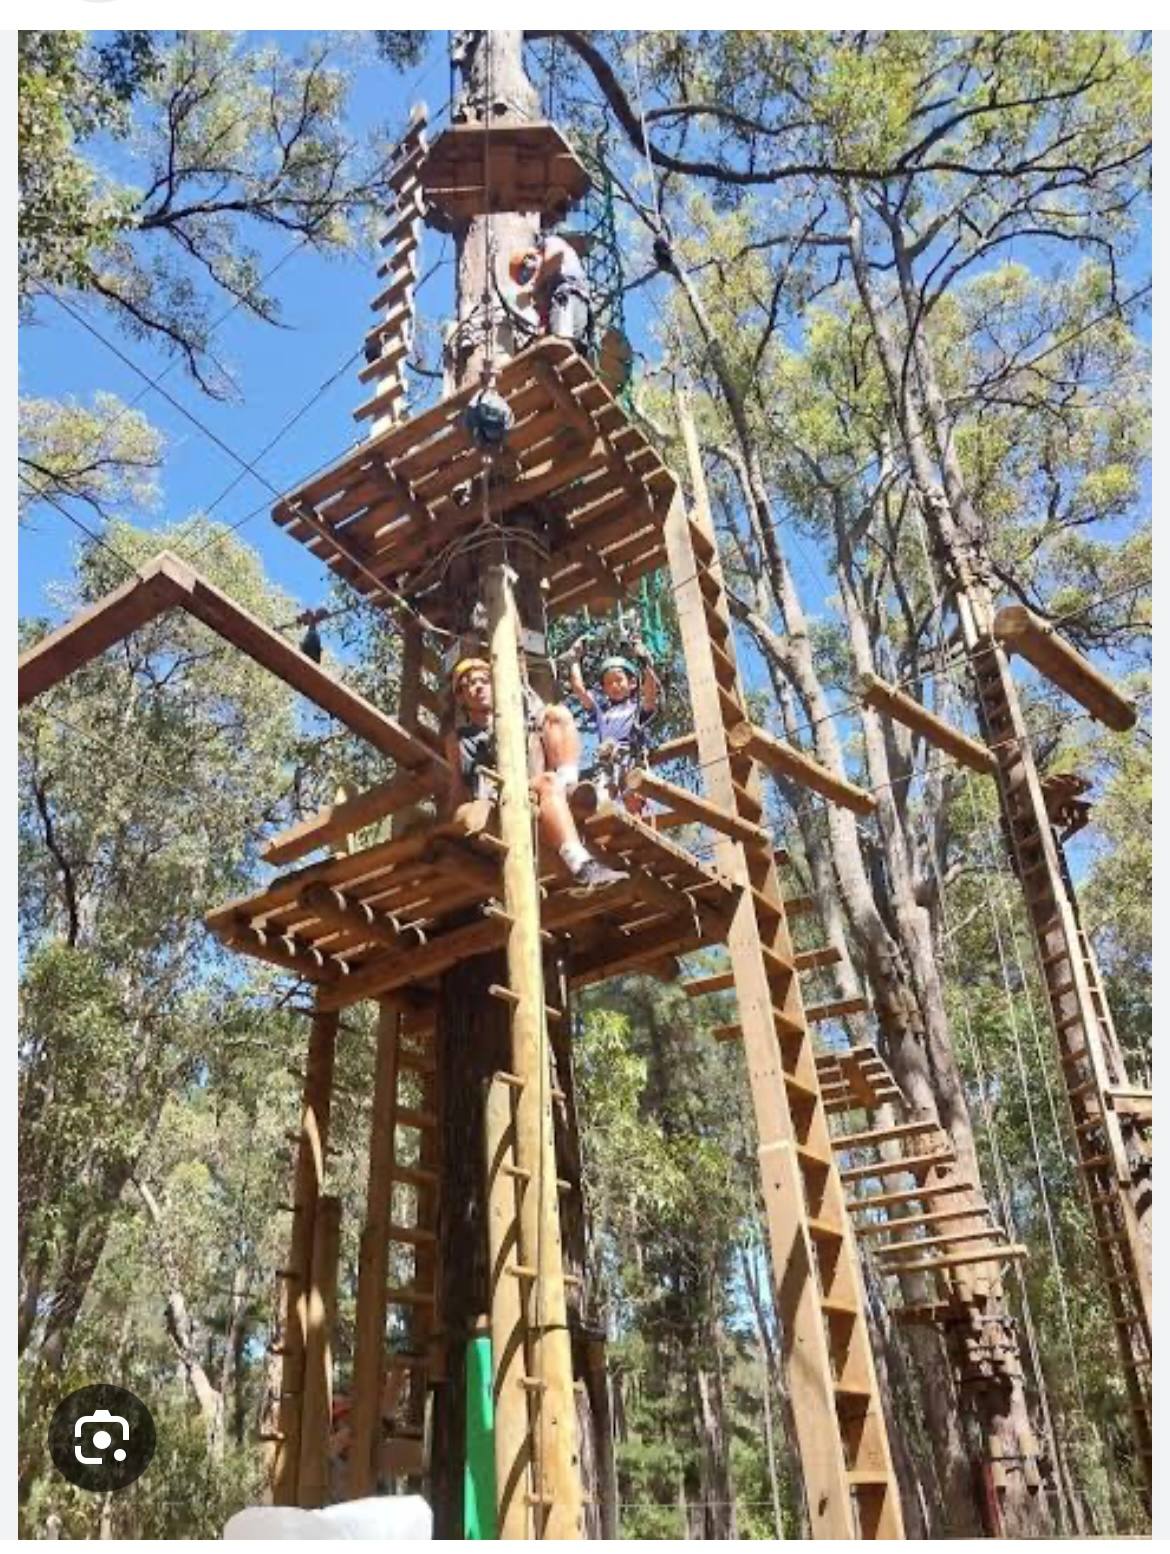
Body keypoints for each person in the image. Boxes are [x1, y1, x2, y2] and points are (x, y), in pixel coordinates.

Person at [444, 657, 628, 889]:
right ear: (461, 696)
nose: (479, 686)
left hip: (532, 784)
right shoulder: (460, 738)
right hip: (494, 796)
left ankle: (568, 786)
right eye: (470, 683)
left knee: (556, 715)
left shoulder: (520, 723)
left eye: (485, 680)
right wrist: (454, 822)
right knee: (548, 782)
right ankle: (581, 864)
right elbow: (457, 784)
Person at [566, 640, 659, 812]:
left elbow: (650, 694)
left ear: (632, 683)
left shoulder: (637, 708)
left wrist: (646, 663)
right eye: (608, 683)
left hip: (631, 758)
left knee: (634, 796)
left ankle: (638, 822)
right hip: (607, 762)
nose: (614, 686)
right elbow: (580, 690)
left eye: (618, 680)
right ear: (604, 689)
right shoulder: (602, 712)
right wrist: (573, 661)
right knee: (601, 800)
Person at [508, 231, 592, 352]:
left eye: (525, 272)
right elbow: (544, 321)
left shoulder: (551, 242)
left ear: (531, 257)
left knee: (563, 340)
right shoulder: (547, 290)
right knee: (565, 344)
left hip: (570, 296)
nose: (528, 277)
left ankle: (563, 348)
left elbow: (555, 256)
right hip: (575, 303)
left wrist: (536, 286)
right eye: (523, 278)